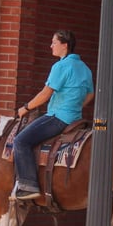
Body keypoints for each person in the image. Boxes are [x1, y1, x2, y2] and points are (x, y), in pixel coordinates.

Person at [13, 29, 95, 200]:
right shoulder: (84, 68)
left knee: (20, 141)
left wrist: (25, 108)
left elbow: (45, 94)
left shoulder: (61, 66)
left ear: (64, 45)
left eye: (54, 42)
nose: (51, 46)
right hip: (76, 118)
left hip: (58, 118)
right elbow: (90, 94)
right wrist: (75, 105)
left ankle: (28, 185)